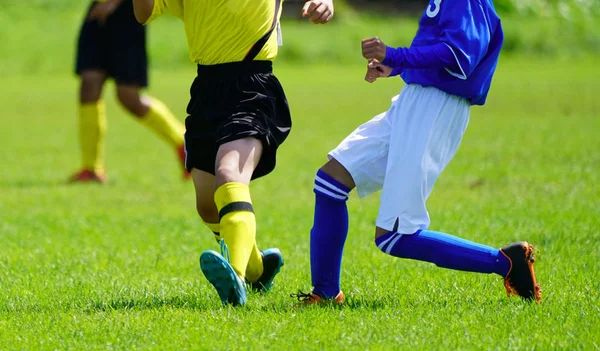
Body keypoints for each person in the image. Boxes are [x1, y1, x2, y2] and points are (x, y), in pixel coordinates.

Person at [293, 0, 542, 306]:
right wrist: (396, 66)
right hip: (415, 99)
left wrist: (396, 54)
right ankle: (327, 293)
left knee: (396, 236)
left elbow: (458, 55)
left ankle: (506, 262)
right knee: (331, 181)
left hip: (435, 108)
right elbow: (437, 50)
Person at [132, 0, 335, 306]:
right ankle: (257, 268)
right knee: (207, 206)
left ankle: (236, 279)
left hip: (252, 87)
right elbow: (143, 12)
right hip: (205, 92)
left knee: (230, 174)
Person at [71, 0, 187, 183]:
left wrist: (113, 3)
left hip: (128, 12)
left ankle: (183, 142)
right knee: (89, 83)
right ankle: (91, 169)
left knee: (129, 97)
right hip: (97, 11)